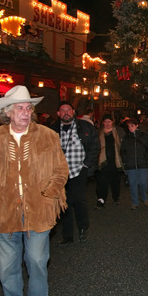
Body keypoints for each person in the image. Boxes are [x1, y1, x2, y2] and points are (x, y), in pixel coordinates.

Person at [0, 85, 68, 296]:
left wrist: (50, 193)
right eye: (20, 108)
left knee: (37, 263)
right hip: (5, 213)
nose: (26, 113)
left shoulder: (48, 136)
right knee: (7, 269)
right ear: (7, 112)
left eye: (28, 108)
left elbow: (61, 170)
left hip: (39, 212)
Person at [52, 101, 100, 245]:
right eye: (62, 110)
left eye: (68, 110)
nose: (66, 112)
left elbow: (94, 146)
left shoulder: (85, 127)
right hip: (59, 173)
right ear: (58, 113)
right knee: (63, 203)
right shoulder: (52, 130)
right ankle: (67, 234)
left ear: (73, 112)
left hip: (79, 170)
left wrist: (86, 165)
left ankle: (83, 228)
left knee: (79, 201)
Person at [121, 118, 148, 210]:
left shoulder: (144, 136)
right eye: (129, 126)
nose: (130, 128)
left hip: (142, 163)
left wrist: (147, 158)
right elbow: (123, 150)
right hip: (131, 164)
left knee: (143, 182)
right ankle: (135, 201)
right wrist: (125, 159)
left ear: (137, 125)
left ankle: (144, 197)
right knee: (133, 183)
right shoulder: (127, 138)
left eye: (132, 126)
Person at [96, 114, 125, 208]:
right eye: (105, 122)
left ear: (113, 122)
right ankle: (101, 199)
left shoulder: (119, 131)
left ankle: (116, 197)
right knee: (102, 182)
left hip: (115, 160)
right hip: (103, 161)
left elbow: (123, 145)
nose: (107, 124)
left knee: (115, 181)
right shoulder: (98, 132)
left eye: (109, 121)